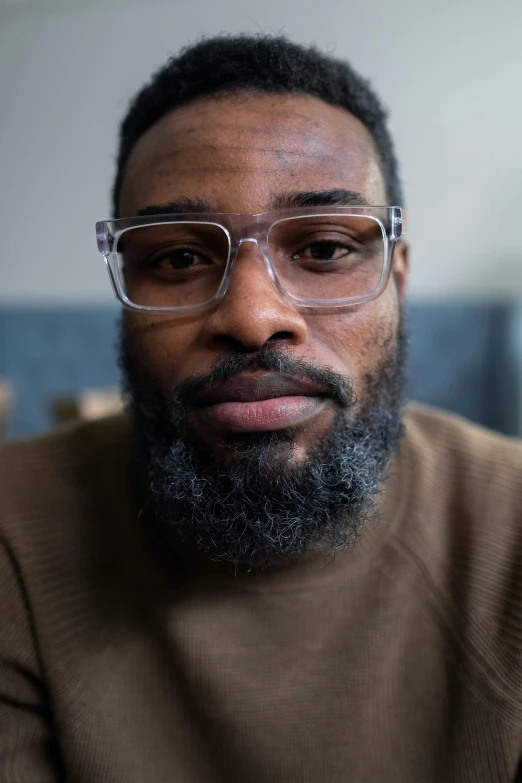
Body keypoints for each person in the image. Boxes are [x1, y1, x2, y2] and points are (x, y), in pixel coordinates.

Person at [1, 34, 521, 783]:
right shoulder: (13, 535)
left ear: (397, 279)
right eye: (178, 258)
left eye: (326, 247)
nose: (252, 316)